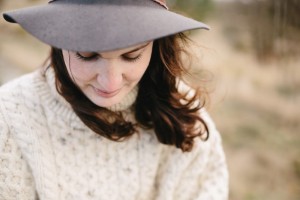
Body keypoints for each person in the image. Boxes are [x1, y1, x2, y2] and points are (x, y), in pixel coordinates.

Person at [0, 0, 228, 199]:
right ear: (59, 42)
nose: (110, 83)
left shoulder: (182, 112)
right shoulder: (10, 116)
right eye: (88, 55)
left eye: (131, 56)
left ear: (156, 45)